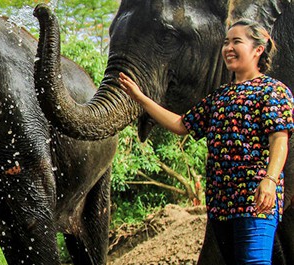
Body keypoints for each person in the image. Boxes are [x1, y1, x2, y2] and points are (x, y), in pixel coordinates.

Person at [119, 19, 294, 264]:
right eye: (226, 42)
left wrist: (270, 179)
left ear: (258, 49)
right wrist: (140, 98)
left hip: (255, 201)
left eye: (236, 41)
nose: (228, 48)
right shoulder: (219, 97)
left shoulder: (273, 91)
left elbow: (279, 139)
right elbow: (181, 125)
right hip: (221, 205)